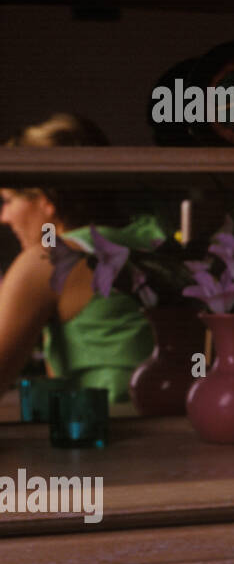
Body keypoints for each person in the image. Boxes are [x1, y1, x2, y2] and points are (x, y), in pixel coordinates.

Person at [0, 114, 159, 404]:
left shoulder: (47, 260)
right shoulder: (142, 240)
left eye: (9, 200)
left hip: (107, 435)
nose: (4, 217)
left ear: (47, 199)